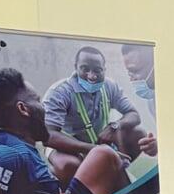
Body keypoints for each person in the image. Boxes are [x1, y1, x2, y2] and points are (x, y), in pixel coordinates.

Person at [0, 67, 129, 194]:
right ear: (23, 109)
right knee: (103, 154)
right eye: (37, 100)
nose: (44, 108)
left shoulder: (7, 146)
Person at [43, 44, 155, 182]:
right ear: (76, 67)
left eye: (97, 70)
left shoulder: (109, 86)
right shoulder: (60, 92)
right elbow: (49, 136)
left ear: (104, 69)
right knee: (68, 165)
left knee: (138, 135)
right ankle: (71, 191)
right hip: (68, 147)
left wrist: (114, 126)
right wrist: (95, 150)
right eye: (85, 69)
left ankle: (110, 178)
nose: (91, 76)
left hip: (98, 142)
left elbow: (133, 115)